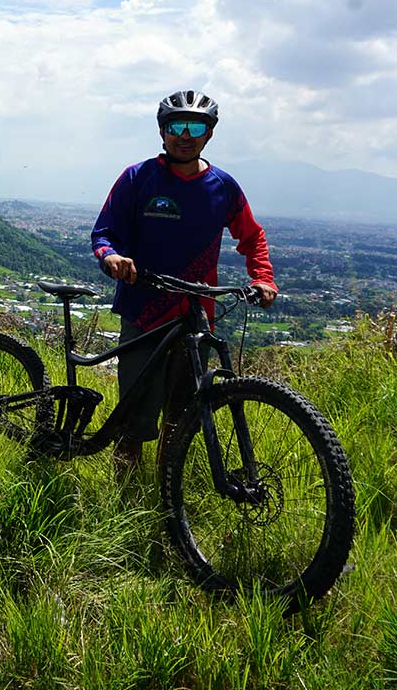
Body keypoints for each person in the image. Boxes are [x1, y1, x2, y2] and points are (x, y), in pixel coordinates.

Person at [90, 90, 278, 479]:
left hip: (195, 314)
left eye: (196, 126)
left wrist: (262, 277)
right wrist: (111, 256)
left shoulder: (222, 187)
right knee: (135, 412)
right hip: (144, 310)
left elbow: (252, 236)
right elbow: (105, 232)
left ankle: (168, 497)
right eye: (176, 126)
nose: (185, 135)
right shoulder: (138, 178)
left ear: (209, 133)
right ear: (162, 131)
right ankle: (123, 497)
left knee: (184, 411)